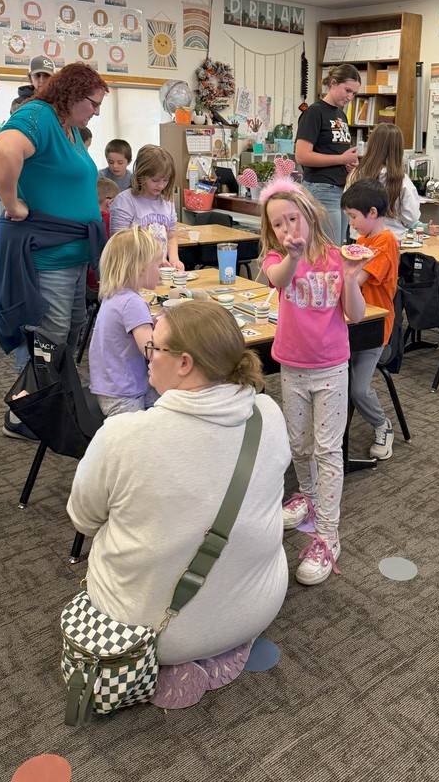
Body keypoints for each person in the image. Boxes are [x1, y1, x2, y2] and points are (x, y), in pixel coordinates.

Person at [67, 301, 290, 709]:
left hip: (150, 634)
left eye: (154, 347)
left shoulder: (123, 436)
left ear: (185, 362)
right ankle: (226, 646)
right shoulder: (268, 414)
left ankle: (171, 663)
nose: (147, 356)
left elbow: (83, 521)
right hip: (260, 606)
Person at [0, 63, 109, 439]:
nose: (97, 111)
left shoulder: (67, 127)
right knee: (49, 337)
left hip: (71, 254)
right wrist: (11, 203)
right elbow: (2, 151)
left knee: (66, 332)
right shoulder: (38, 114)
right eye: (94, 102)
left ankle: (51, 402)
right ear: (71, 95)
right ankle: (26, 414)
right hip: (49, 256)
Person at [260, 178, 367, 585]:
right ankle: (305, 496)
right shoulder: (277, 258)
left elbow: (354, 315)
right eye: (279, 224)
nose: (289, 229)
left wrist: (353, 278)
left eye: (293, 218)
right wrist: (294, 255)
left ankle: (327, 534)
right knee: (299, 444)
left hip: (331, 369)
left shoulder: (338, 257)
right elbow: (281, 279)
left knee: (327, 451)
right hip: (293, 367)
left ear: (309, 215)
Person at [341, 179, 400, 460]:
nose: (351, 224)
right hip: (353, 323)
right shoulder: (364, 241)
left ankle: (382, 425)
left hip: (375, 330)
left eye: (353, 217)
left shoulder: (384, 245)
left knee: (358, 389)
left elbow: (357, 278)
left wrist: (342, 271)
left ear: (372, 213)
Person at [89, 227, 162, 417]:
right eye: (157, 265)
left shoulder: (115, 295)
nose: (160, 270)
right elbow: (151, 350)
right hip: (125, 393)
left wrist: (154, 320)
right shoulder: (132, 303)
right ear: (141, 268)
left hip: (109, 385)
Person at [295, 63, 360, 244]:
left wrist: (349, 163)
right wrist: (341, 158)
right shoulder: (314, 112)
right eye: (347, 90)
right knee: (328, 250)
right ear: (333, 84)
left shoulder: (341, 114)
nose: (349, 97)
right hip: (321, 188)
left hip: (342, 189)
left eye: (354, 93)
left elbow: (336, 152)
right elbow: (302, 156)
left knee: (337, 249)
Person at [109, 144, 183, 269]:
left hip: (157, 270)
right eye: (155, 180)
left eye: (166, 180)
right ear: (141, 175)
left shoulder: (167, 201)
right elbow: (119, 243)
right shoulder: (125, 201)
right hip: (131, 271)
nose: (161, 185)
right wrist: (153, 259)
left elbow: (171, 236)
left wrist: (175, 260)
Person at [345, 123, 420, 242]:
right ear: (398, 149)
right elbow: (411, 217)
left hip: (358, 238)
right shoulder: (401, 180)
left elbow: (347, 208)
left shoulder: (356, 174)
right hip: (390, 239)